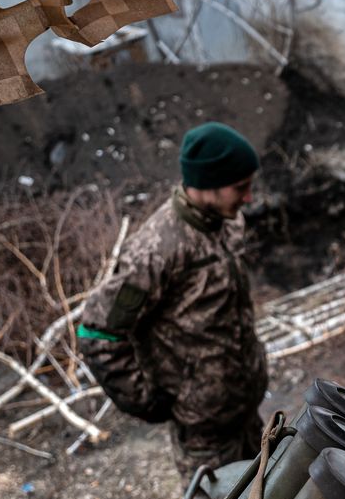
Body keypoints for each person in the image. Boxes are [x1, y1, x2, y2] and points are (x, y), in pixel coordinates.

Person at [77, 121, 269, 480]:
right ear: (206, 185)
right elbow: (97, 333)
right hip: (204, 433)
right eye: (239, 187)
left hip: (245, 410)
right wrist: (147, 401)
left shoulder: (226, 223)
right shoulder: (156, 252)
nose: (248, 198)